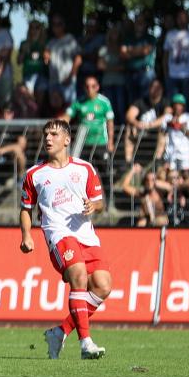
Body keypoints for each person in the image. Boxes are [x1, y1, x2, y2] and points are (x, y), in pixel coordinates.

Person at [19, 119, 110, 360]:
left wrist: (94, 206)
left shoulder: (84, 168)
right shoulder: (35, 174)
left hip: (86, 234)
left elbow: (100, 202)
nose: (48, 138)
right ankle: (86, 343)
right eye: (46, 135)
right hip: (58, 234)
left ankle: (59, 332)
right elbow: (26, 209)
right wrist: (26, 235)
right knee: (79, 276)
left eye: (54, 134)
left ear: (67, 140)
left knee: (102, 286)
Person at [63, 75, 115, 163]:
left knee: (104, 168)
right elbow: (66, 117)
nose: (90, 89)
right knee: (79, 166)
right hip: (82, 142)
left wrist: (110, 141)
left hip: (100, 141)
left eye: (93, 86)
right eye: (87, 86)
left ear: (97, 87)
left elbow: (110, 123)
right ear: (84, 88)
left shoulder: (104, 102)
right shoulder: (78, 102)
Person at [163, 9, 189, 107]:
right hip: (172, 76)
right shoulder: (170, 34)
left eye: (184, 17)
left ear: (188, 19)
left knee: (187, 105)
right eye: (179, 17)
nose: (181, 20)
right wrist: (166, 75)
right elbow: (165, 56)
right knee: (172, 104)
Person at [44, 15, 81, 105]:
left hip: (68, 81)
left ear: (63, 25)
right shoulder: (50, 43)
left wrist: (70, 77)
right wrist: (46, 57)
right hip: (53, 82)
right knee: (54, 109)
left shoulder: (70, 39)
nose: (56, 27)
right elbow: (46, 60)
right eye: (54, 24)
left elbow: (78, 59)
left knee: (69, 108)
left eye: (59, 24)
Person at [160, 93, 189, 173]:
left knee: (185, 173)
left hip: (184, 151)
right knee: (171, 173)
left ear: (183, 107)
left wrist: (180, 126)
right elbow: (162, 131)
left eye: (180, 105)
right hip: (171, 150)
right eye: (176, 105)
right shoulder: (168, 117)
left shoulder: (187, 117)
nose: (177, 107)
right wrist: (169, 124)